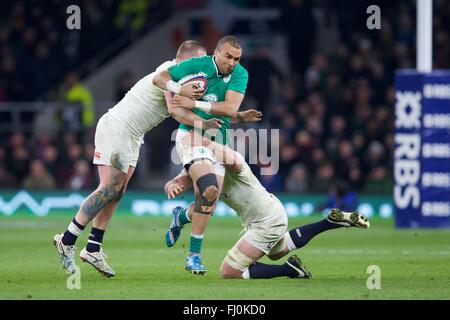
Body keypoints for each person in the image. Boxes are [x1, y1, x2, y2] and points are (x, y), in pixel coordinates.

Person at [52, 40, 229, 277]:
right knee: (108, 187)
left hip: (133, 135)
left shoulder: (181, 79)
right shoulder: (169, 74)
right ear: (187, 60)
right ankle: (67, 238)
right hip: (118, 127)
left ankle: (93, 247)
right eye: (199, 61)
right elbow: (176, 111)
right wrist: (203, 122)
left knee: (118, 191)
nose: (203, 67)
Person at [164, 134, 369, 279]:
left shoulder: (230, 163)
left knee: (228, 272)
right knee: (276, 251)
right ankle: (328, 222)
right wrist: (171, 185)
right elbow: (178, 182)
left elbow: (232, 158)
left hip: (265, 221)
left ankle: (289, 270)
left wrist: (207, 142)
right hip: (270, 213)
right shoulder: (204, 169)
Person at [152, 35, 250, 275]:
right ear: (216, 52)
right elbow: (159, 78)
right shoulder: (198, 65)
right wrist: (178, 89)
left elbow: (230, 109)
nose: (232, 62)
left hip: (219, 140)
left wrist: (195, 104)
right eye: (228, 56)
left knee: (208, 202)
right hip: (191, 135)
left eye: (237, 58)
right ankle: (193, 257)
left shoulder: (240, 74)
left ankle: (180, 217)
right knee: (209, 188)